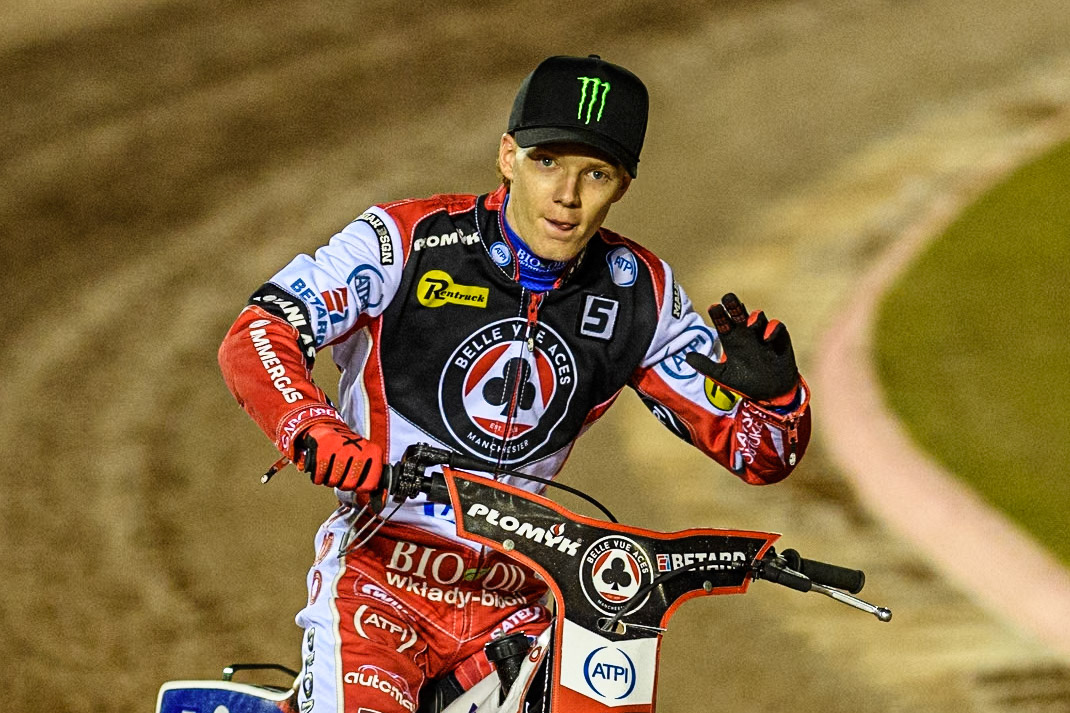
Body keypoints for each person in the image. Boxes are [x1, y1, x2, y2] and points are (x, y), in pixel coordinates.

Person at [218, 54, 810, 713]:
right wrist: (311, 425)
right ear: (507, 156)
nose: (568, 193)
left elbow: (760, 454)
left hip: (523, 596)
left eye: (596, 172)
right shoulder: (402, 242)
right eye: (547, 161)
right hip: (379, 579)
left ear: (622, 186)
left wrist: (780, 399)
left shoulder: (639, 293)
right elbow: (260, 329)